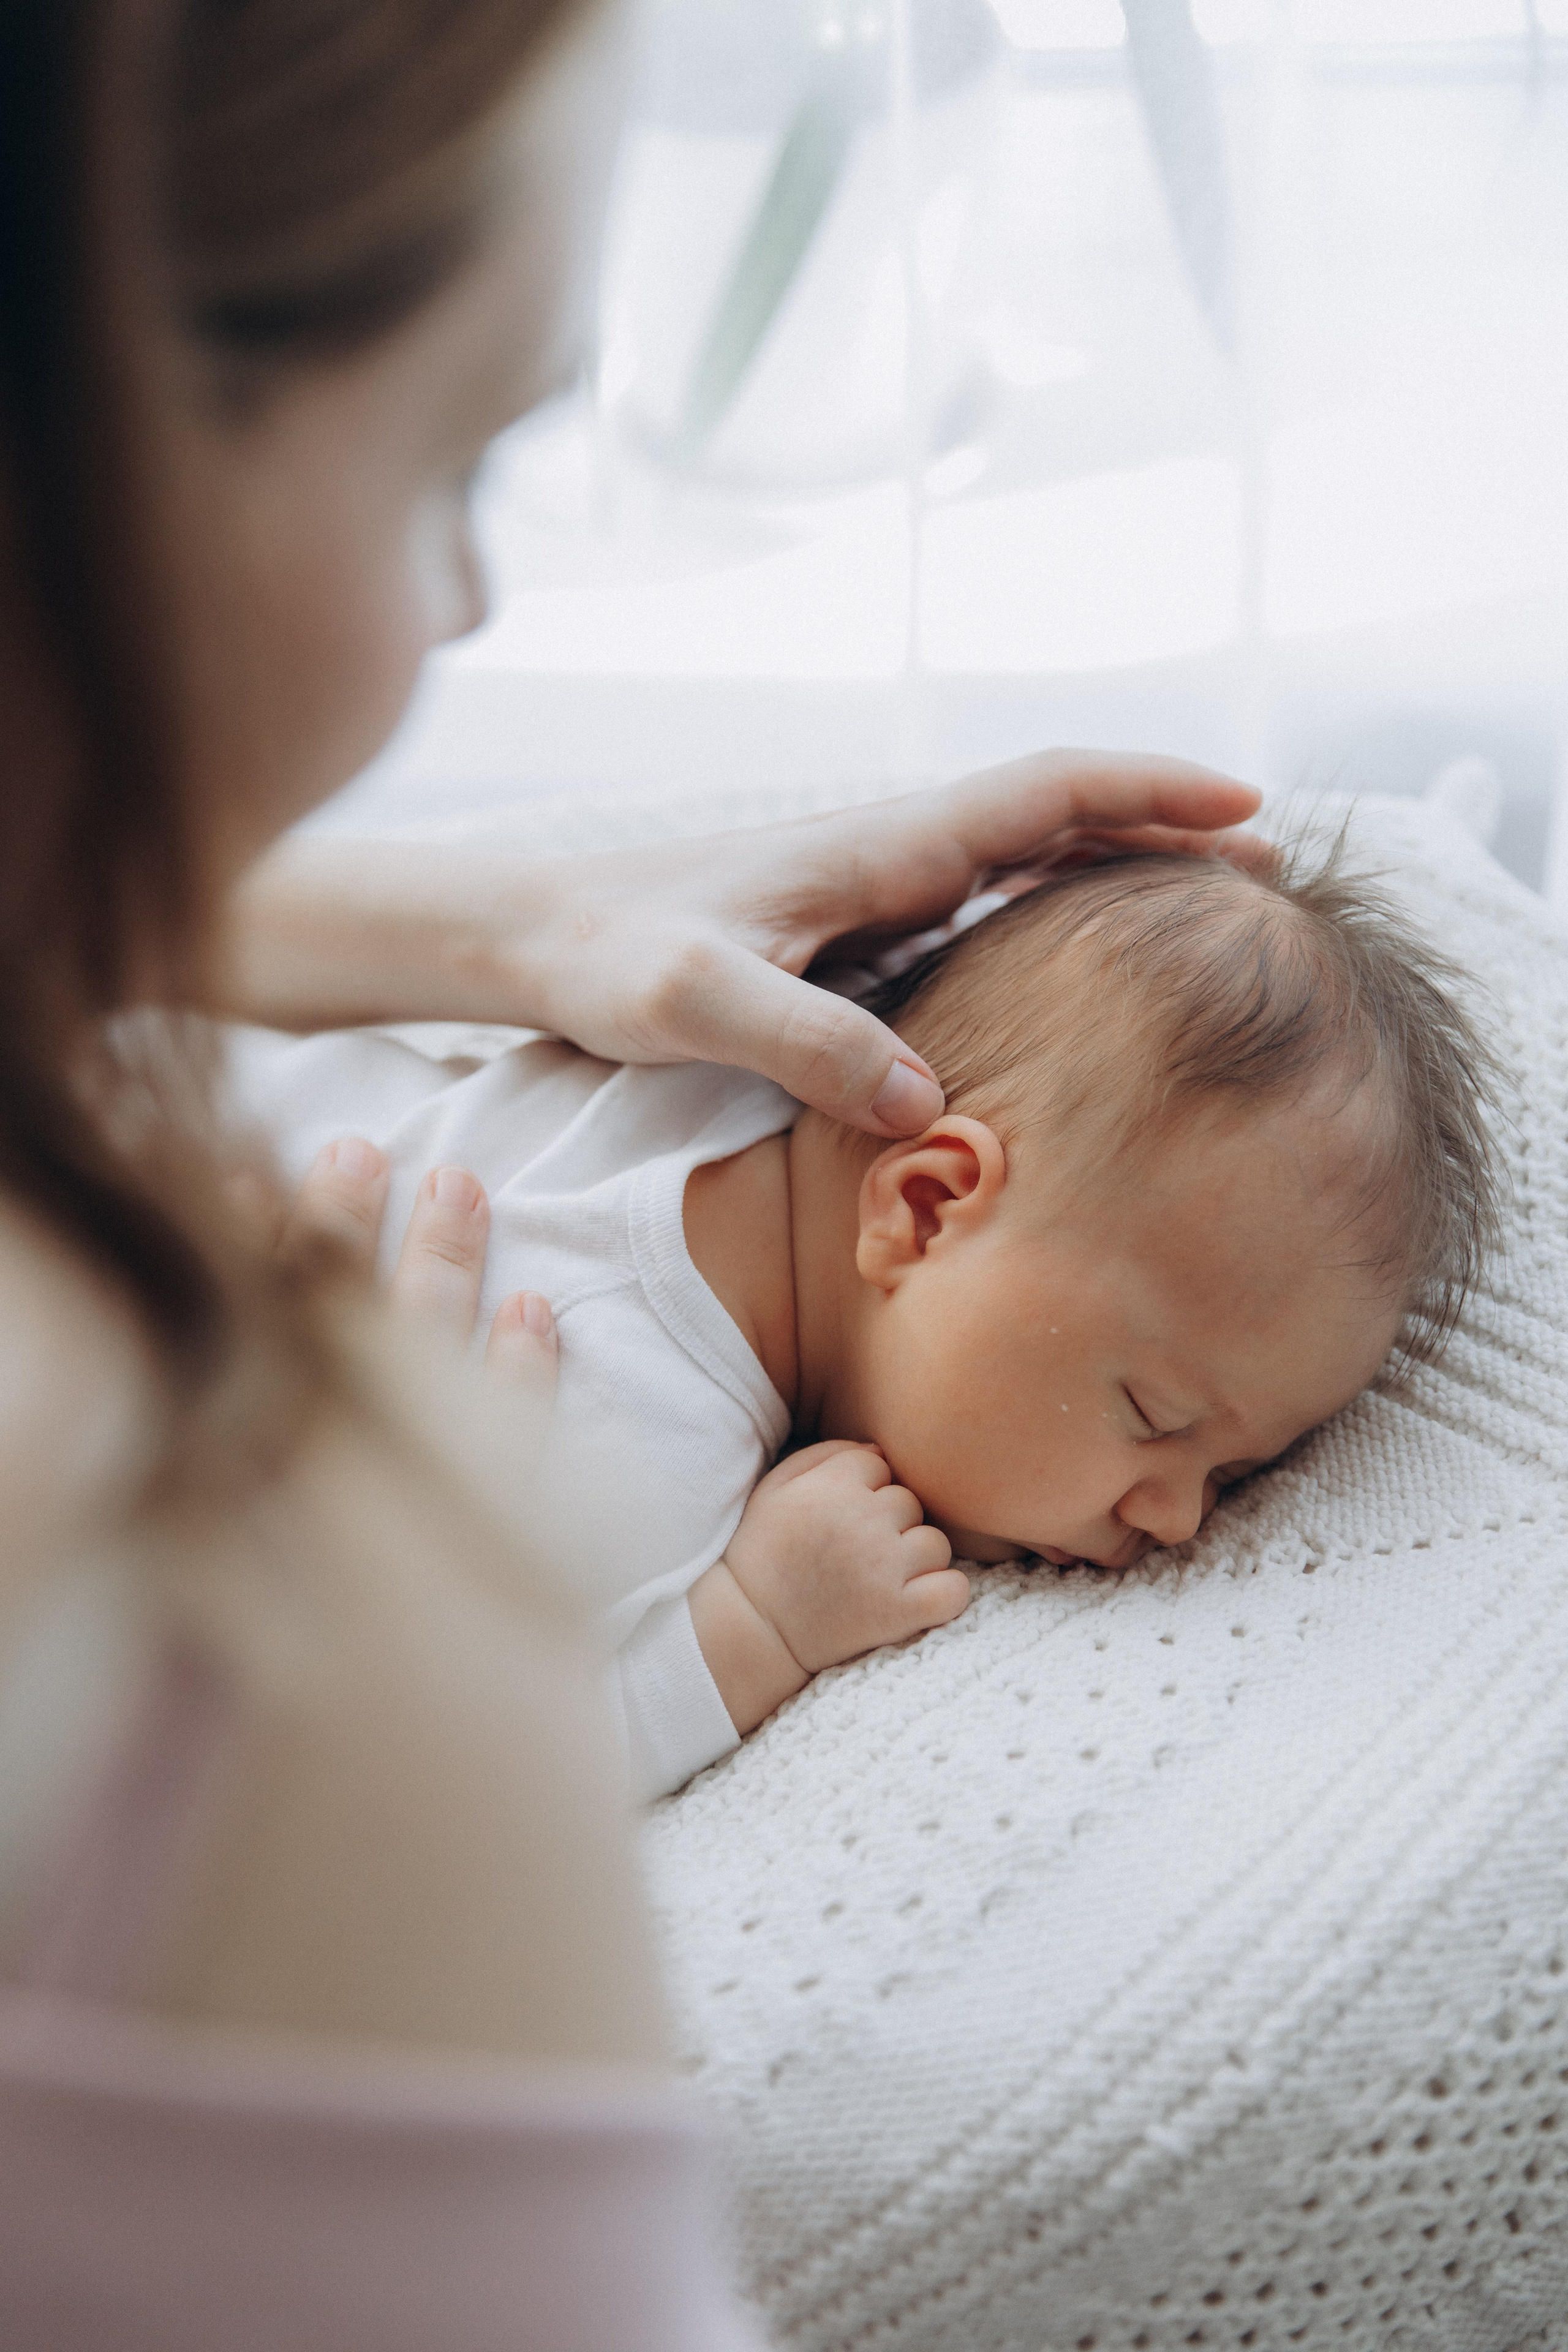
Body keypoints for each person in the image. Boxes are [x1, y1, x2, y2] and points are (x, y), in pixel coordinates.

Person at [0, 0, 1264, 2341]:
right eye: (446, 472)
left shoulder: (659, 1087)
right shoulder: (383, 1563)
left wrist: (500, 926)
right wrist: (735, 1635)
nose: (469, 606)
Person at [231, 842, 1499, 1804]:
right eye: (1155, 1418)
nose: (1174, 1519)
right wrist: (748, 1629)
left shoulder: (718, 1054)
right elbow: (473, 1793)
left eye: (1233, 1474)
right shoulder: (616, 1423)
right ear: (929, 1206)